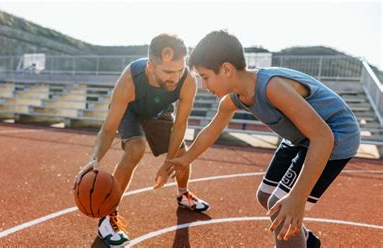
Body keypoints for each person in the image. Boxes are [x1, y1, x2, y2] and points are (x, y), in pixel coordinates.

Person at [157, 29, 360, 248]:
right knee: (265, 196)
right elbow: (212, 129)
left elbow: (323, 137)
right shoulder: (234, 98)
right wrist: (186, 160)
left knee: (280, 205)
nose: (204, 86)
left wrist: (298, 197)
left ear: (226, 69)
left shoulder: (272, 87)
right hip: (302, 137)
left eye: (205, 77)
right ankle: (306, 242)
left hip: (335, 135)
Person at [73, 33, 210, 247]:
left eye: (179, 70)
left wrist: (169, 162)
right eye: (167, 72)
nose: (175, 77)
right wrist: (94, 158)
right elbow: (108, 129)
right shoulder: (130, 80)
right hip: (131, 111)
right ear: (150, 66)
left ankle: (183, 195)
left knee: (181, 154)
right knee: (136, 148)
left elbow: (180, 125)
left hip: (159, 113)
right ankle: (108, 217)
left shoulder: (187, 81)